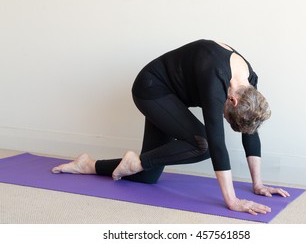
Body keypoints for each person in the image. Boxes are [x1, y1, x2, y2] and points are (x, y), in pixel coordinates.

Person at [52, 39, 290, 215]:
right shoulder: (215, 78)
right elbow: (217, 143)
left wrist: (257, 184)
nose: (223, 116)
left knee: (146, 177)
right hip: (151, 88)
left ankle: (87, 165)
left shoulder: (249, 84)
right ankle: (136, 162)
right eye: (227, 116)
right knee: (204, 144)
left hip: (171, 99)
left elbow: (251, 130)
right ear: (232, 101)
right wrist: (232, 200)